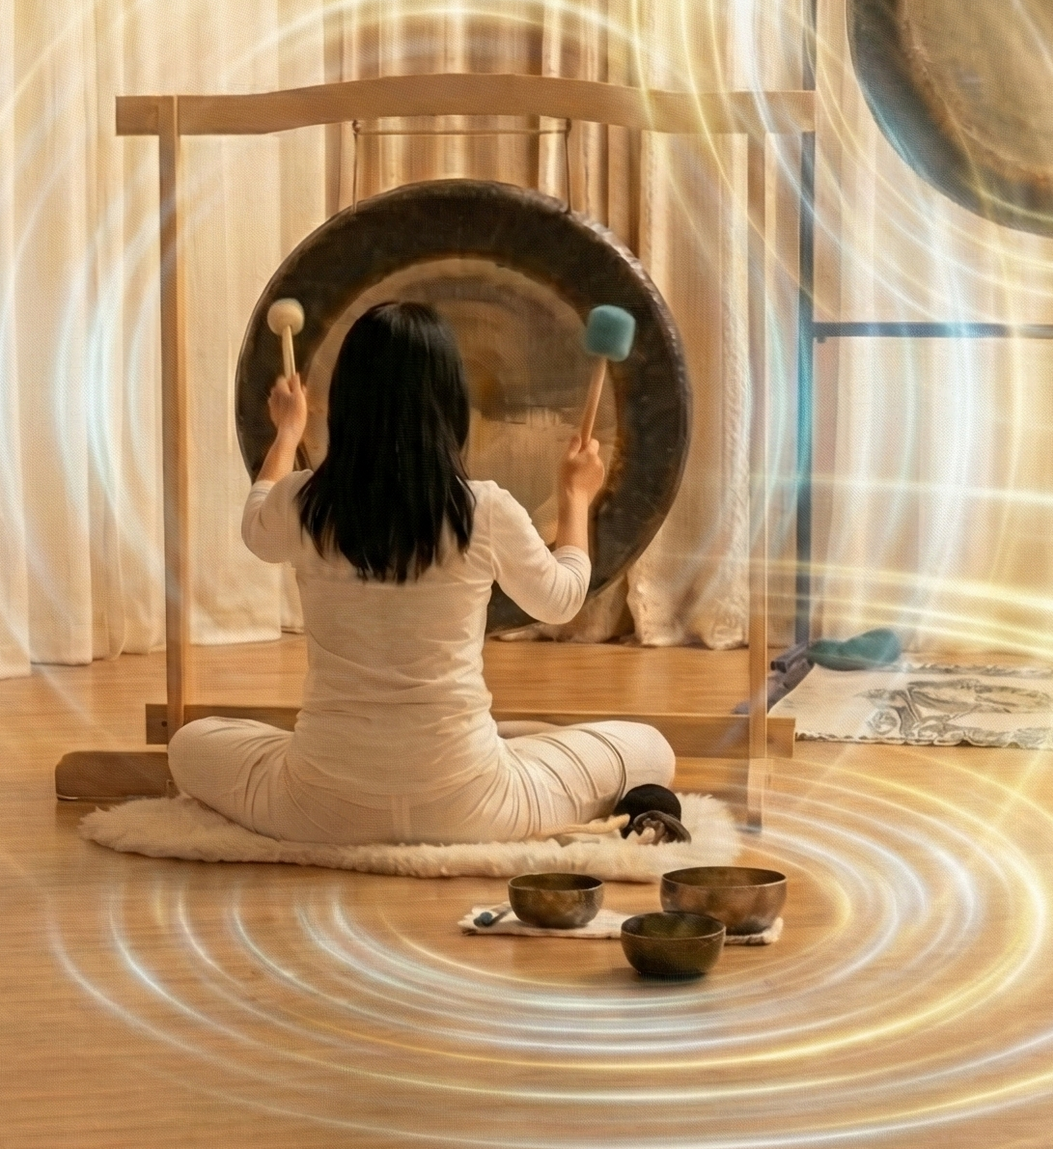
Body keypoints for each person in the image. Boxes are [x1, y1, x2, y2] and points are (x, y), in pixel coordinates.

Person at [168, 301, 676, 845]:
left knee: (189, 743)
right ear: (450, 401)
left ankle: (488, 748)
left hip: (321, 809)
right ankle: (506, 747)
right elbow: (563, 598)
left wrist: (288, 434)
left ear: (345, 400)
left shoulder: (303, 502)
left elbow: (255, 524)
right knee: (651, 750)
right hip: (474, 806)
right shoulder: (484, 509)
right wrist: (576, 496)